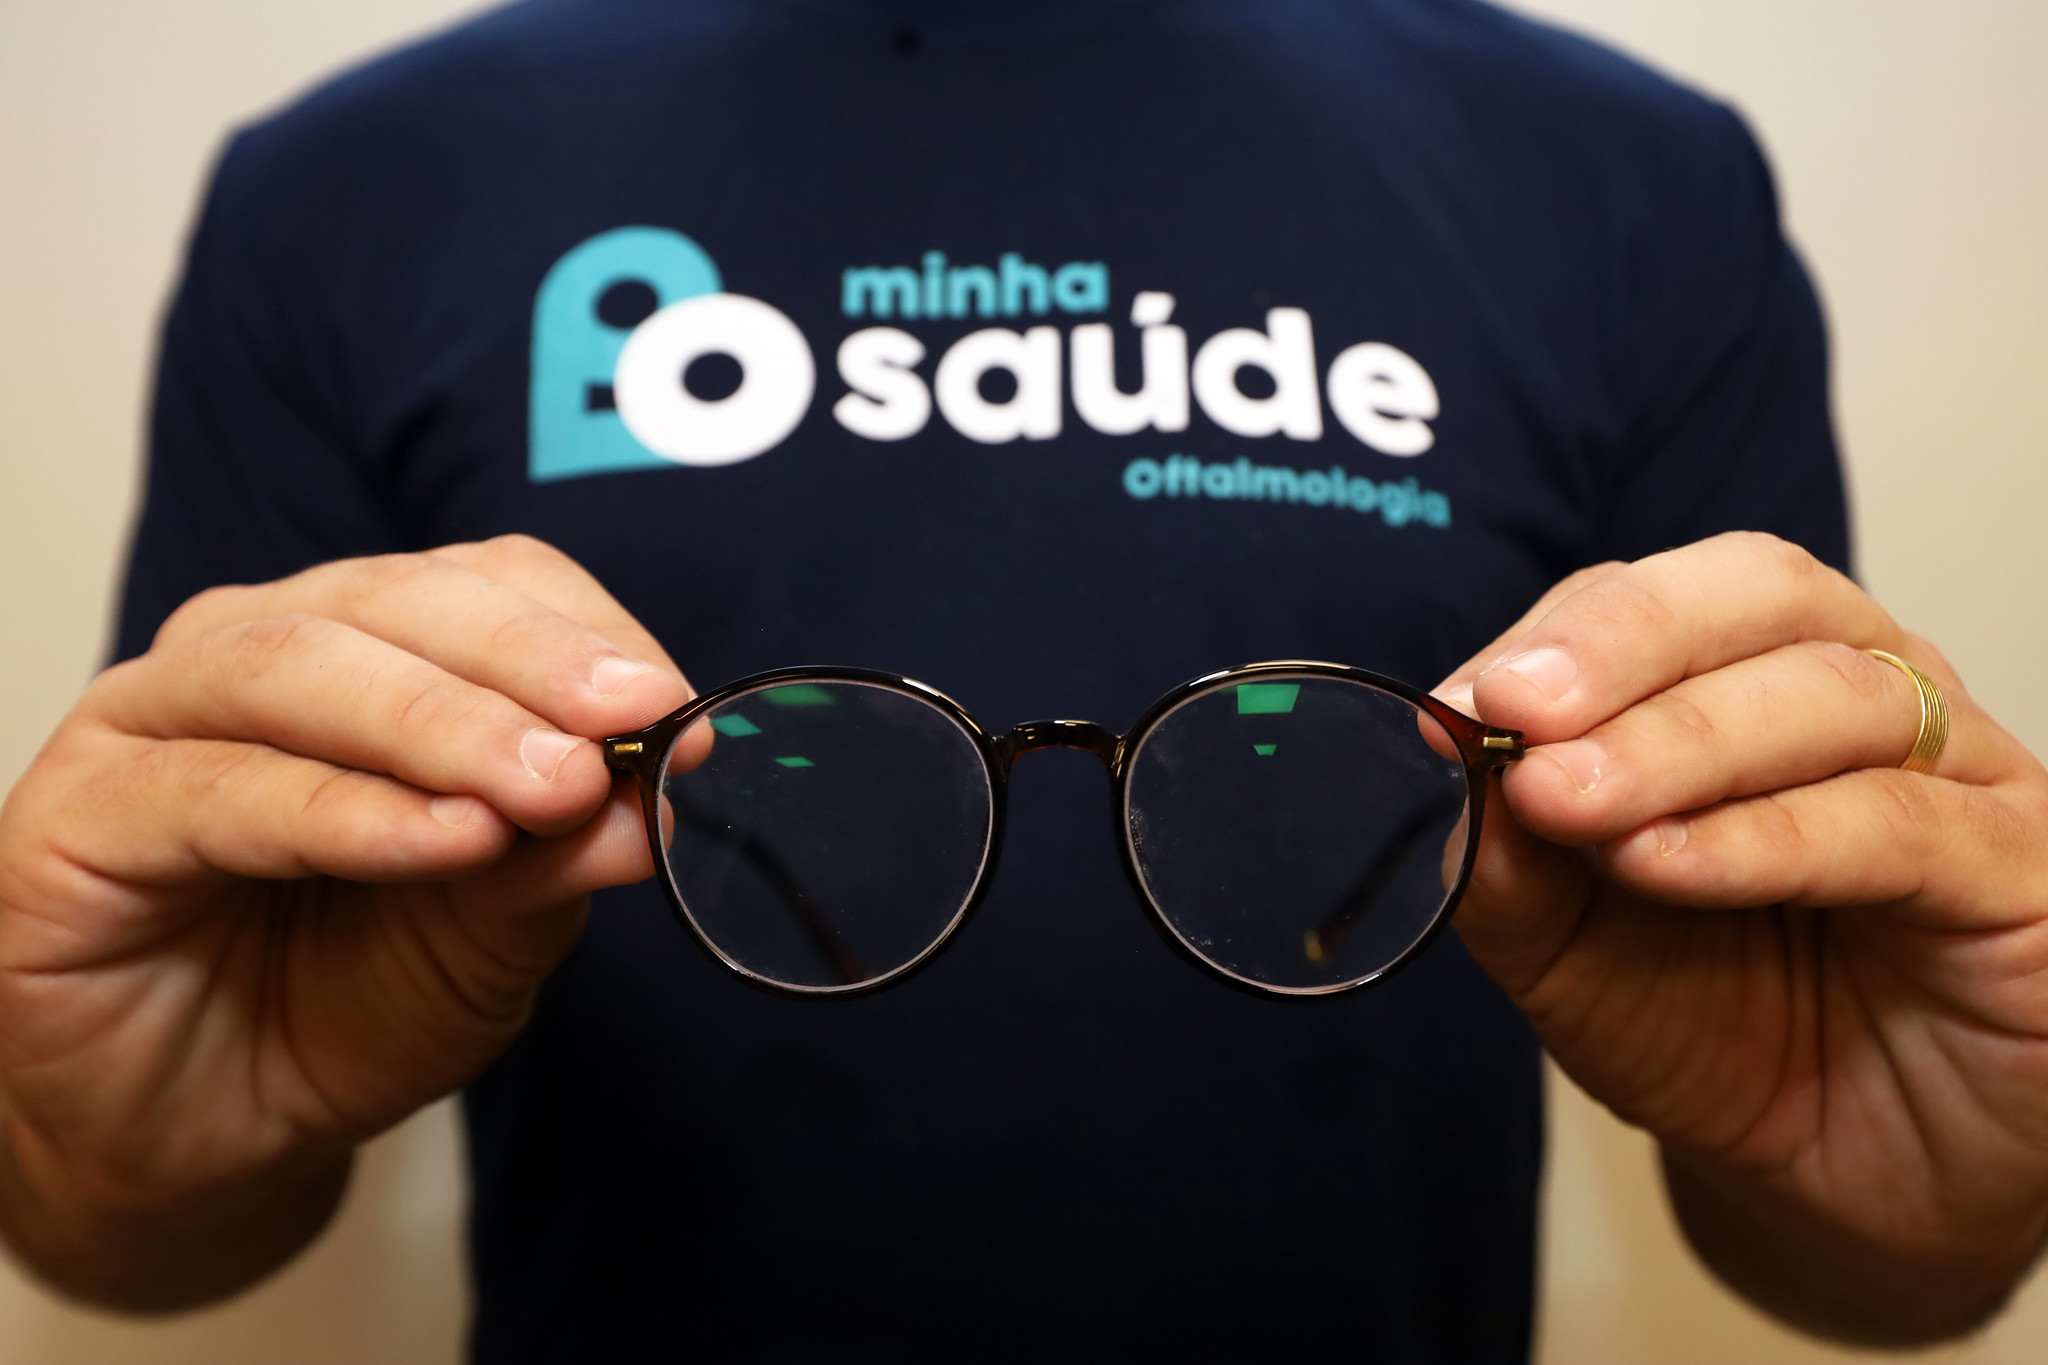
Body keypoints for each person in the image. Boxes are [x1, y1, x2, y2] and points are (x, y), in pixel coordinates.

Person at [2, 0, 2046, 1359]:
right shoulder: (358, 186)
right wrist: (100, 1157)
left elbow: (1861, 1204)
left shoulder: (1630, 182)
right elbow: (147, 1173)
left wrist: (1936, 1192)